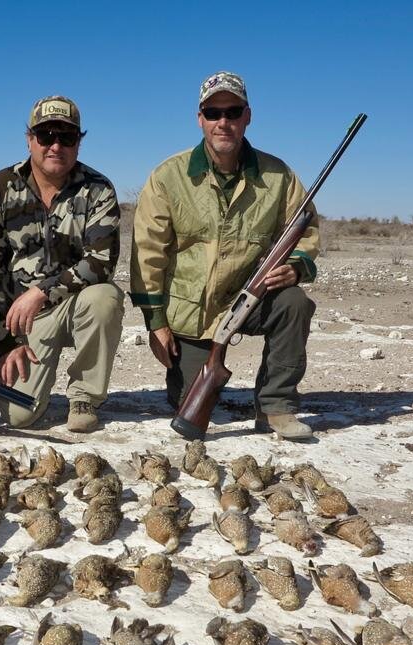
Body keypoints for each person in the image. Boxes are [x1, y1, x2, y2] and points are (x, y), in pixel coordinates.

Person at [130, 72, 320, 440]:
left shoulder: (279, 175)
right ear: (199, 118)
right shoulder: (168, 176)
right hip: (190, 311)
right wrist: (156, 323)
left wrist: (297, 267)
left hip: (250, 298)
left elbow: (306, 229)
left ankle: (276, 407)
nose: (223, 122)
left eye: (232, 112)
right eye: (213, 113)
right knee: (189, 404)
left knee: (295, 302)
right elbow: (149, 252)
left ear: (247, 116)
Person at [0, 95, 122, 433]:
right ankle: (14, 368)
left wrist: (41, 291)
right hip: (21, 321)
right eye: (45, 136)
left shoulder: (99, 190)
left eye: (66, 137)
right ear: (29, 140)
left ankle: (85, 396)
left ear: (78, 143)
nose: (56, 145)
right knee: (19, 417)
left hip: (74, 305)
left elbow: (101, 264)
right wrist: (5, 342)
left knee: (105, 297)